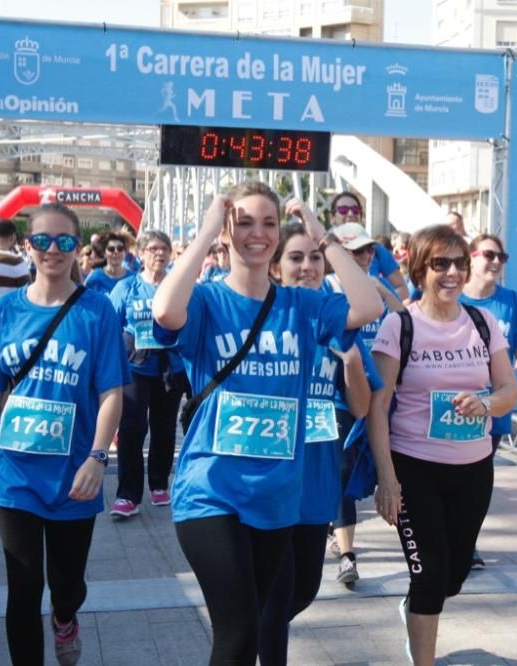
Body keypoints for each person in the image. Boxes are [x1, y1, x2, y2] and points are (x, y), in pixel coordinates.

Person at [152, 180, 381, 665]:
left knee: (256, 623)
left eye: (269, 223)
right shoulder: (210, 302)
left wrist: (324, 236)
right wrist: (208, 228)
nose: (257, 233)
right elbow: (166, 310)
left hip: (278, 496)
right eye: (245, 223)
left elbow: (369, 306)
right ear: (227, 231)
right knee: (236, 635)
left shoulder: (302, 306)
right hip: (210, 489)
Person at [0, 202, 129, 666]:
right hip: (15, 473)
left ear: (77, 248)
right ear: (26, 246)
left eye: (65, 241)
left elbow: (112, 391)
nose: (53, 250)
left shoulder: (98, 311)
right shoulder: (6, 312)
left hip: (74, 474)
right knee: (24, 587)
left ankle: (66, 617)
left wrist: (98, 457)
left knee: (66, 585)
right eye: (43, 241)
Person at [369, 224, 517, 665]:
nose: (452, 273)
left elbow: (509, 390)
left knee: (452, 575)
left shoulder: (482, 322)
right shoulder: (401, 326)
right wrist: (387, 479)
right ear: (420, 269)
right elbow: (378, 406)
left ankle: (417, 605)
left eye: (459, 263)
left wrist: (486, 403)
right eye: (440, 264)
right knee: (429, 572)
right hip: (415, 465)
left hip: (474, 467)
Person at [258, 219, 380, 666]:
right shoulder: (263, 314)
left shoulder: (334, 316)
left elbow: (363, 406)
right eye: (296, 257)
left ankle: (245, 633)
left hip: (318, 476)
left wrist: (349, 364)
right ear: (274, 267)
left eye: (315, 257)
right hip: (267, 476)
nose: (308, 266)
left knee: (304, 589)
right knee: (277, 593)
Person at [324, 221, 405, 585]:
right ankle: (347, 554)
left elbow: (406, 321)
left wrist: (380, 292)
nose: (365, 257)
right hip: (337, 396)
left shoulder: (378, 287)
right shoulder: (324, 288)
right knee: (341, 469)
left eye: (368, 250)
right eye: (355, 251)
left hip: (381, 395)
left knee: (367, 469)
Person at [460, 233, 517, 568]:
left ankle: (467, 542)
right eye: (488, 254)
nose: (495, 262)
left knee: (477, 479)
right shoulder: (452, 297)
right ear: (471, 258)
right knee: (452, 477)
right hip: (453, 406)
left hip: (495, 405)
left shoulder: (511, 301)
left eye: (501, 258)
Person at [108, 230, 188, 517]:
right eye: (153, 248)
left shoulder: (180, 287)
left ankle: (159, 483)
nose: (159, 253)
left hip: (171, 368)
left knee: (164, 428)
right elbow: (110, 327)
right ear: (141, 254)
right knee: (131, 428)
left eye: (164, 249)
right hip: (135, 367)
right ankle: (128, 494)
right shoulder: (127, 288)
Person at [328, 191, 410, 301]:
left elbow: (402, 288)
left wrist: (380, 305)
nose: (351, 214)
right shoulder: (320, 251)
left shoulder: (377, 250)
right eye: (343, 210)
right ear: (332, 217)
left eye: (356, 210)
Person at [84, 230, 134, 294]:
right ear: (104, 253)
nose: (116, 252)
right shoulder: (95, 276)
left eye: (120, 248)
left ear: (125, 252)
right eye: (111, 249)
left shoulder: (133, 278)